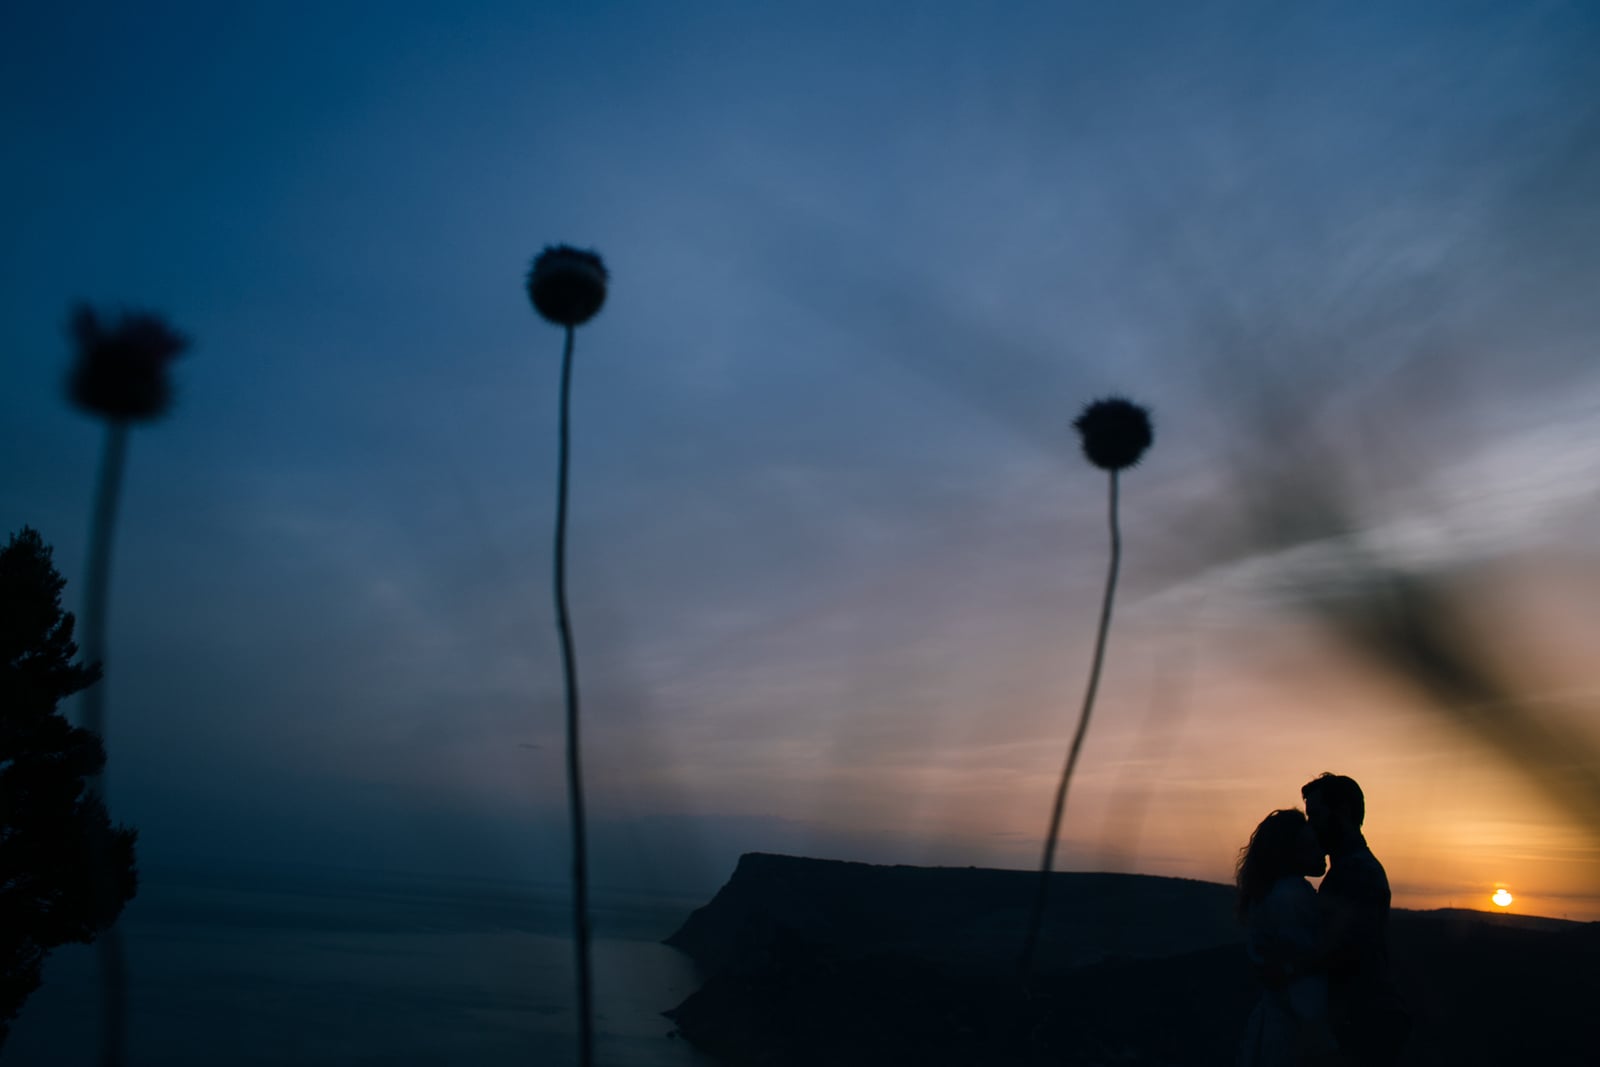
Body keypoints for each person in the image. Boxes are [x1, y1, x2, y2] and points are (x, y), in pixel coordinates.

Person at [1301, 772, 1409, 1065]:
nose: (1311, 827)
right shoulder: (1351, 870)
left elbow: (1338, 951)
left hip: (1360, 1026)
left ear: (1343, 813)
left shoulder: (1356, 873)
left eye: (1316, 815)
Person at [1235, 808, 1338, 1066]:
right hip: (1294, 1030)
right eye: (1312, 845)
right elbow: (1302, 972)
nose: (1323, 851)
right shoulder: (1289, 896)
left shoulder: (1277, 893)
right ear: (1291, 852)